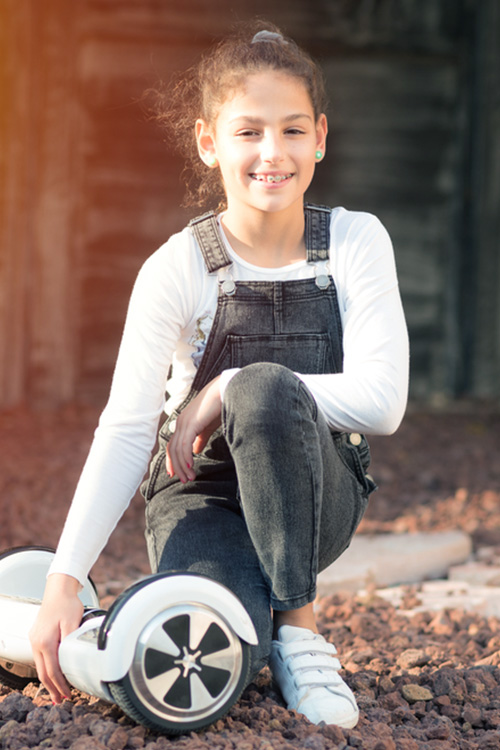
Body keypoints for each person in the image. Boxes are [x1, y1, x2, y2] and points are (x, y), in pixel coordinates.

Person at [29, 22, 409, 729]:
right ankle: (79, 627)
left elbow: (383, 403)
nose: (273, 153)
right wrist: (64, 578)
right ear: (209, 142)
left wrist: (229, 386)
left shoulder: (355, 242)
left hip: (318, 495)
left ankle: (299, 630)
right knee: (201, 664)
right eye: (248, 132)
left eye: (293, 130)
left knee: (263, 386)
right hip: (202, 501)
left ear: (321, 137)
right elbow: (127, 427)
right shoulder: (177, 268)